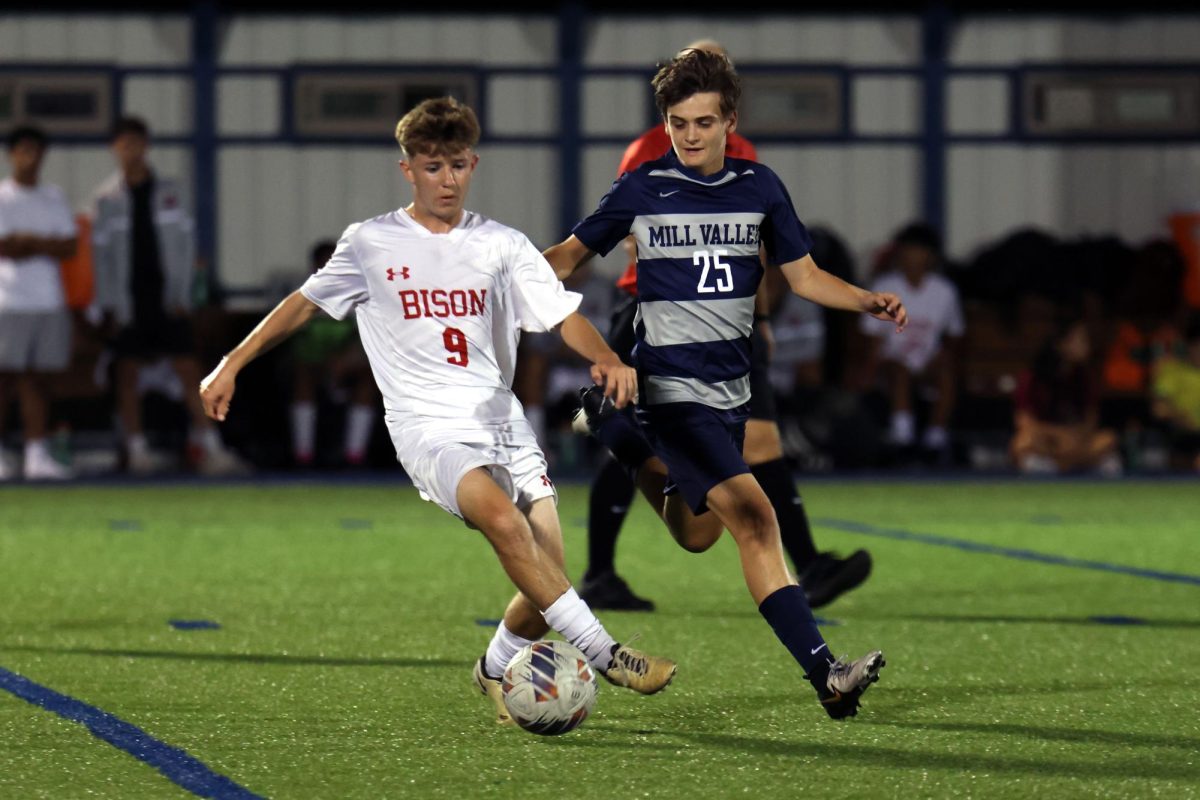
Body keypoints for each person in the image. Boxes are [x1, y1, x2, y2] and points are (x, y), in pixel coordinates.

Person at [197, 97, 676, 726]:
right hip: (427, 430)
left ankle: (493, 667)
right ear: (407, 170)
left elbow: (563, 316)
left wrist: (608, 357)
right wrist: (232, 360)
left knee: (546, 575)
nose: (445, 180)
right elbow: (304, 303)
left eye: (455, 165)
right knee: (505, 523)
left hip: (501, 422)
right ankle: (607, 654)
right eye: (431, 167)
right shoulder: (370, 243)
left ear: (473, 164)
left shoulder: (502, 245)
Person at [544, 49, 904, 719]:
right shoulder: (642, 188)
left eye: (703, 123)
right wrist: (500, 274)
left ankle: (619, 436)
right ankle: (827, 673)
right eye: (678, 123)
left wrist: (864, 300)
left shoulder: (761, 187)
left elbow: (803, 277)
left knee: (698, 533)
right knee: (757, 521)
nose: (689, 136)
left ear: (730, 121)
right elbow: (562, 259)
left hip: (729, 392)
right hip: (671, 390)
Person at [577, 38, 871, 614]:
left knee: (756, 442)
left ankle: (806, 565)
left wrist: (757, 316)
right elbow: (633, 232)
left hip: (729, 326)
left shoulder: (748, 162)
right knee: (644, 443)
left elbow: (753, 247)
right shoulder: (649, 153)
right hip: (655, 314)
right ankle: (600, 571)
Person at [91, 116, 243, 475]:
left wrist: (187, 294)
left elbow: (188, 246)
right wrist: (106, 305)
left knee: (191, 372)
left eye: (136, 143)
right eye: (123, 144)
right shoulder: (105, 199)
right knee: (127, 375)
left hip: (169, 298)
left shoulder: (172, 191)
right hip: (129, 302)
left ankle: (211, 448)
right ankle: (137, 449)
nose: (130, 151)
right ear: (114, 148)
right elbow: (101, 258)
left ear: (146, 145)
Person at [0, 126, 78, 481]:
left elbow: (69, 247)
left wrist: (27, 243)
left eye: (35, 149)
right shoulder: (2, 197)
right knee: (4, 379)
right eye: (22, 149)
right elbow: (5, 248)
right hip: (9, 301)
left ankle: (35, 454)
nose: (29, 156)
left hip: (49, 300)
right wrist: (40, 244)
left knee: (39, 380)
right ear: (12, 154)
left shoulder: (54, 197)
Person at [859, 222, 964, 461]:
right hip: (892, 362)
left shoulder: (945, 291)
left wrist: (942, 358)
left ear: (931, 256)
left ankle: (935, 440)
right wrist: (868, 372)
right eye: (909, 250)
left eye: (920, 250)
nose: (913, 257)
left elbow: (954, 336)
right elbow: (873, 339)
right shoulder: (884, 287)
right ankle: (902, 438)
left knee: (946, 373)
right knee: (900, 372)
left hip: (928, 362)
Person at [289, 239, 378, 468]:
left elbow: (365, 338)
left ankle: (354, 457)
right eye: (324, 264)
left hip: (347, 365)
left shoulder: (360, 294)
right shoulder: (300, 295)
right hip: (309, 365)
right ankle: (303, 457)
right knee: (302, 379)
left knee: (368, 383)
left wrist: (343, 362)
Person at [1010, 320, 1121, 476]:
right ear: (1061, 344)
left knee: (1108, 439)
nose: (1086, 346)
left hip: (1076, 441)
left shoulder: (1084, 378)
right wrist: (1060, 436)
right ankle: (1073, 466)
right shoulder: (1033, 378)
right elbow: (1025, 422)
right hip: (1049, 441)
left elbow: (1091, 421)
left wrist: (1074, 437)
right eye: (1080, 340)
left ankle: (1056, 467)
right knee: (1023, 442)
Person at [1151, 314, 1200, 471]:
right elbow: (1159, 409)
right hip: (1183, 437)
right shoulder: (1171, 370)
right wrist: (1179, 417)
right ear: (1189, 345)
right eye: (1198, 346)